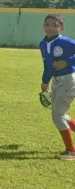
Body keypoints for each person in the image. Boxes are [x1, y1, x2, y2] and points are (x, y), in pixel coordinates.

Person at [38, 14, 75, 160]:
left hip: (68, 80)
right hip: (56, 81)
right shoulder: (43, 44)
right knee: (59, 113)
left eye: (55, 25)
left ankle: (71, 151)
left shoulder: (65, 42)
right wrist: (45, 81)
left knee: (57, 115)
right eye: (47, 24)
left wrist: (69, 62)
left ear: (61, 28)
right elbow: (47, 65)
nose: (50, 27)